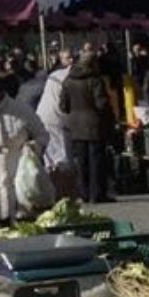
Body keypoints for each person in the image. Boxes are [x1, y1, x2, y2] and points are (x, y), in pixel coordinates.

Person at [0, 73, 48, 220]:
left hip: (16, 166)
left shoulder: (21, 109)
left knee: (19, 214)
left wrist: (32, 147)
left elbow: (42, 135)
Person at [58, 53, 111, 204]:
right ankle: (97, 193)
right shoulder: (95, 80)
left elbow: (63, 105)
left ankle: (84, 193)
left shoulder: (68, 80)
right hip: (94, 124)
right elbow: (101, 103)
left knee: (81, 161)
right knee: (96, 160)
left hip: (75, 125)